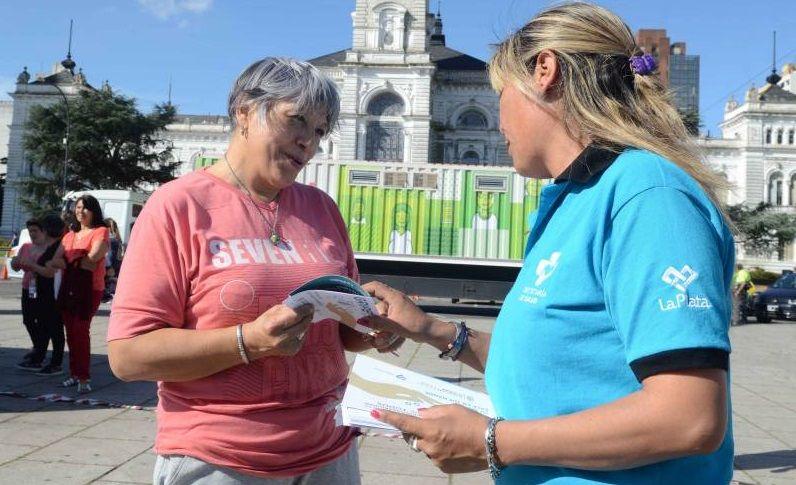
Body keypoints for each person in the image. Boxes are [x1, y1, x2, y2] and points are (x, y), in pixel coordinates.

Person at [359, 4, 735, 484]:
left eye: (500, 94)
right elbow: (558, 364)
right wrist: (433, 330)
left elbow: (689, 418)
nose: (498, 122)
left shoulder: (648, 197)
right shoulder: (577, 197)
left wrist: (493, 442)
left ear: (545, 71)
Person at [106, 57, 401, 484]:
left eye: (319, 131)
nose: (308, 143)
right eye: (296, 120)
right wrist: (248, 342)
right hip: (220, 458)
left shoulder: (321, 208)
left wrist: (376, 329)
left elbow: (341, 333)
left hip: (329, 451)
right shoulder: (177, 206)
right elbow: (128, 356)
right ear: (244, 112)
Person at [51, 195, 110, 393]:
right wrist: (78, 258)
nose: (80, 211)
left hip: (90, 288)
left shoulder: (101, 231)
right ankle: (74, 374)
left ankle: (84, 377)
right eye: (78, 207)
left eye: (85, 208)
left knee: (80, 330)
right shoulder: (69, 235)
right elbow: (54, 260)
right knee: (70, 332)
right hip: (68, 287)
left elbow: (93, 259)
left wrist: (71, 258)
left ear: (94, 211)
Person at [25, 214, 67, 376]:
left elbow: (50, 272)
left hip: (53, 294)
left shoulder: (57, 247)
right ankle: (40, 358)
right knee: (44, 326)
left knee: (55, 328)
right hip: (44, 293)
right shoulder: (51, 247)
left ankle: (55, 363)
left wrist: (33, 266)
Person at [11, 219, 47, 370]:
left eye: (35, 231)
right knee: (28, 320)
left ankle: (39, 352)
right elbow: (16, 267)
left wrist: (34, 267)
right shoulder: (25, 247)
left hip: (43, 289)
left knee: (41, 320)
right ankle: (38, 347)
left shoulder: (48, 248)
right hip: (28, 287)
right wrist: (15, 262)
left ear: (43, 231)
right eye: (30, 231)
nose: (32, 234)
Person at [103, 217, 123, 302]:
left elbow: (109, 255)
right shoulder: (117, 239)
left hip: (110, 264)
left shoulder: (110, 240)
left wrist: (109, 266)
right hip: (117, 263)